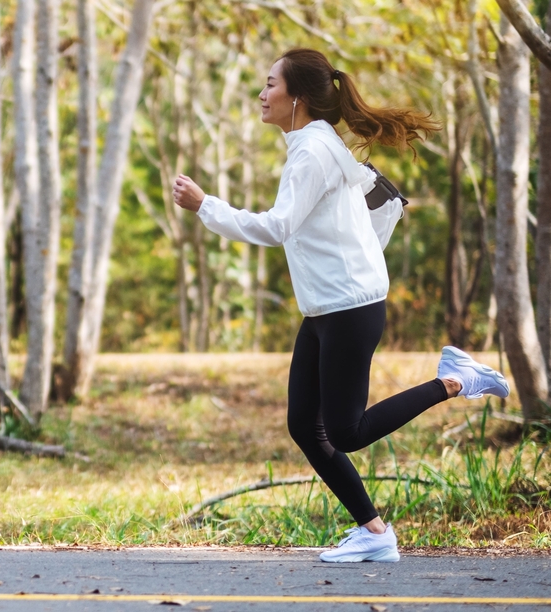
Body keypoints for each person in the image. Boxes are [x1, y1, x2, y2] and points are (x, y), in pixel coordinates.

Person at [170, 48, 510, 563]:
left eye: (269, 85)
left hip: (349, 307)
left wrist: (206, 206)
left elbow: (277, 226)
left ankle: (455, 380)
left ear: (297, 98)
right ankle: (374, 533)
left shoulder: (312, 152)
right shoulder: (316, 144)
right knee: (305, 426)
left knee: (346, 432)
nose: (261, 95)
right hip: (329, 306)